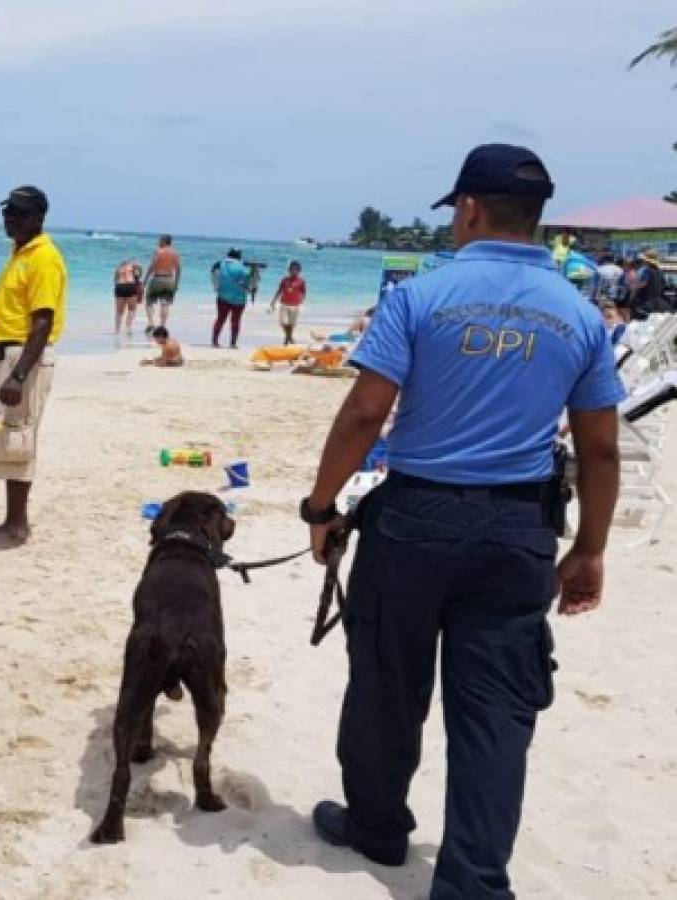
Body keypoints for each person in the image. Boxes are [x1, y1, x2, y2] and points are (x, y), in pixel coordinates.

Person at [301, 144, 624, 899]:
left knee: (386, 681)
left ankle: (377, 825)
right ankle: (474, 881)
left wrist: (320, 506)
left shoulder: (420, 297)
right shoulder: (578, 314)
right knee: (494, 711)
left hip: (413, 517)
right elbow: (600, 449)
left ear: (470, 208)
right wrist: (591, 548)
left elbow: (363, 413)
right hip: (517, 529)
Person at [0, 185, 67, 550]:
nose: (9, 218)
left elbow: (42, 322)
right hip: (6, 355)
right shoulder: (20, 253)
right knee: (4, 436)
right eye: (7, 212)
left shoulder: (43, 257)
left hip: (24, 358)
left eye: (17, 213)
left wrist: (18, 375)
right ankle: (10, 519)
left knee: (19, 436)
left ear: (38, 218)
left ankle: (18, 524)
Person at [211, 248, 249, 348]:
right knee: (236, 321)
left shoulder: (219, 264)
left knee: (220, 319)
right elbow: (247, 283)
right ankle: (233, 343)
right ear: (239, 256)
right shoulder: (243, 268)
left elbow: (213, 274)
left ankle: (214, 341)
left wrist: (216, 287)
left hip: (222, 296)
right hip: (239, 299)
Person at [142, 234, 180, 334]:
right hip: (169, 279)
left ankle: (150, 324)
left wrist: (145, 279)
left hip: (158, 278)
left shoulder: (159, 251)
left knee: (149, 302)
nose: (158, 242)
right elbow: (178, 268)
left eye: (160, 240)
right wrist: (176, 283)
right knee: (165, 304)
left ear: (164, 241)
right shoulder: (175, 253)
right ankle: (162, 326)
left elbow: (153, 265)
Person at [270, 260, 307, 345]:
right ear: (289, 270)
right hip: (284, 304)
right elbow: (279, 291)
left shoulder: (301, 281)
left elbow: (303, 292)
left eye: (296, 270)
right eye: (292, 269)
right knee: (283, 322)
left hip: (295, 305)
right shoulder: (284, 280)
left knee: (291, 323)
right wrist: (273, 301)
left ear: (299, 271)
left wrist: (302, 299)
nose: (293, 271)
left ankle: (287, 338)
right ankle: (289, 336)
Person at [112, 260, 143, 336]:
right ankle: (128, 328)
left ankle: (117, 330)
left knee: (119, 312)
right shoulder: (133, 266)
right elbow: (139, 274)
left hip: (120, 286)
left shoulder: (118, 269)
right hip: (130, 286)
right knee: (131, 309)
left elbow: (115, 280)